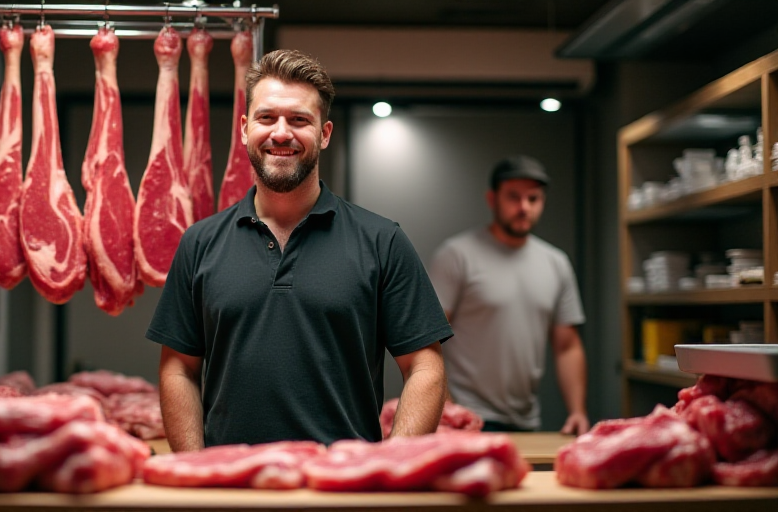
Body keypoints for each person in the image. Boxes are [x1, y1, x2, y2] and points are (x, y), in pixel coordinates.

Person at [146, 49, 453, 451]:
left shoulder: (382, 241)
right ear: (244, 128)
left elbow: (425, 367)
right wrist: (194, 469)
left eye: (299, 120)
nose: (280, 133)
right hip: (231, 487)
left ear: (324, 134)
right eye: (267, 117)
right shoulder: (200, 243)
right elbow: (179, 370)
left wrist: (390, 466)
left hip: (342, 488)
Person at [429, 155, 589, 435]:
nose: (523, 207)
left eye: (533, 198)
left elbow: (567, 346)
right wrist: (447, 408)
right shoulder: (457, 256)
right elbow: (428, 338)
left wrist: (577, 410)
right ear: (492, 199)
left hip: (527, 420)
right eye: (513, 197)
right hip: (466, 418)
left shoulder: (556, 262)